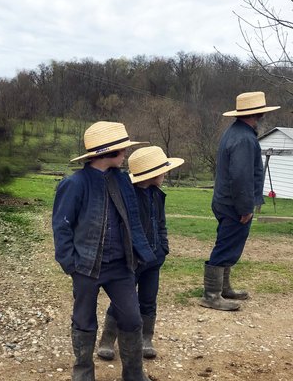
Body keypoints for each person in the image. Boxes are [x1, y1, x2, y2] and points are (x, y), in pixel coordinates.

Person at [52, 121, 162, 381]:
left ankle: (133, 374)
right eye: (122, 149)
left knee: (132, 317)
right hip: (86, 266)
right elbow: (62, 226)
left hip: (120, 266)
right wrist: (70, 264)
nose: (126, 152)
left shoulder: (122, 180)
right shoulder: (74, 183)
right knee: (84, 320)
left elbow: (134, 219)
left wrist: (140, 255)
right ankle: (83, 375)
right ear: (107, 152)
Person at [97, 146, 184, 361]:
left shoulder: (157, 195)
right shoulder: (129, 197)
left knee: (148, 299)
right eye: (163, 170)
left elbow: (161, 224)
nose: (165, 174)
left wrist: (163, 247)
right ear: (153, 173)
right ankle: (108, 339)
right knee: (122, 300)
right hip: (132, 260)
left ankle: (146, 338)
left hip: (154, 259)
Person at [200, 91, 280, 311]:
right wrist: (246, 207)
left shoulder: (235, 133)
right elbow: (241, 177)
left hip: (226, 200)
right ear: (259, 114)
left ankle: (223, 288)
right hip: (234, 204)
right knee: (226, 245)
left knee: (229, 242)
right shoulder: (244, 138)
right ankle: (212, 294)